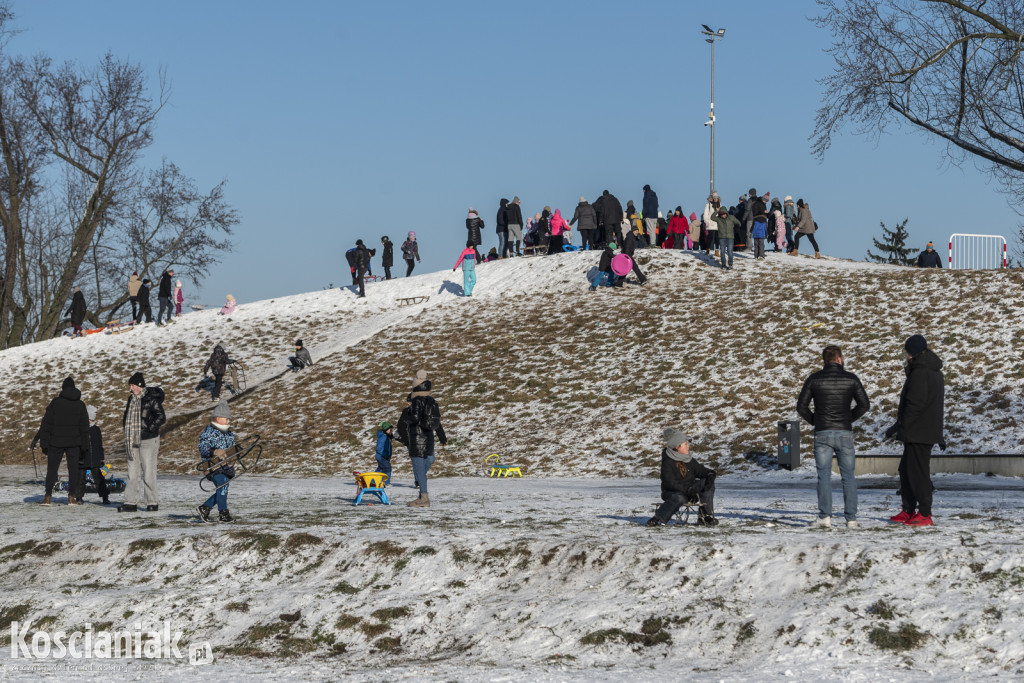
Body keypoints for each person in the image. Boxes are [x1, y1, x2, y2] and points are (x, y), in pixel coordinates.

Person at [796, 345, 871, 528]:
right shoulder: (851, 378)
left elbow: (801, 407)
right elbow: (864, 404)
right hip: (844, 432)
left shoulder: (814, 379)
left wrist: (815, 421)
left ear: (824, 360)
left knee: (824, 476)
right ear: (839, 359)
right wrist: (848, 419)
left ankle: (825, 517)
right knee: (848, 476)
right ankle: (851, 519)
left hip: (822, 433)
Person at [884, 335, 945, 527]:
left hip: (919, 430)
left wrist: (899, 426)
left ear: (912, 352)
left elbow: (914, 405)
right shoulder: (930, 371)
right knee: (906, 470)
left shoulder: (921, 373)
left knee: (918, 472)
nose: (905, 355)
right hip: (921, 429)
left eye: (906, 351)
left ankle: (925, 513)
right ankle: (908, 510)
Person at [646, 428, 717, 527]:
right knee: (680, 498)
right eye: (686, 444)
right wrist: (688, 489)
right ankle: (658, 518)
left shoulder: (688, 459)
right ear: (677, 447)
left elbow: (701, 470)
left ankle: (705, 516)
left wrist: (710, 474)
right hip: (673, 492)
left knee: (707, 482)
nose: (688, 447)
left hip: (691, 491)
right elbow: (670, 482)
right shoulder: (668, 462)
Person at [36, 377, 90, 506]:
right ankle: (71, 497)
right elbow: (84, 428)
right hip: (74, 443)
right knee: (73, 471)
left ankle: (47, 497)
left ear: (63, 389)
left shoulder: (55, 403)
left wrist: (44, 442)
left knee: (52, 470)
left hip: (56, 442)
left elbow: (46, 424)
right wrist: (85, 446)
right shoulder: (80, 404)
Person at [120, 372, 165, 513]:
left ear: (140, 385)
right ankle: (130, 502)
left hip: (148, 440)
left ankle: (152, 502)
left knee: (148, 472)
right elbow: (127, 417)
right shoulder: (131, 399)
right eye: (130, 385)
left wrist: (149, 429)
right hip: (132, 440)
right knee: (132, 473)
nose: (131, 388)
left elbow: (161, 417)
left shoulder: (151, 398)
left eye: (133, 385)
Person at [404, 370, 447, 507]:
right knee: (427, 461)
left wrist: (407, 418)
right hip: (429, 436)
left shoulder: (416, 400)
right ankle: (421, 494)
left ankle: (424, 499)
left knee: (419, 468)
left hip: (417, 438)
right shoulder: (431, 400)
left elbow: (415, 418)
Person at [196, 401, 237, 523]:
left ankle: (205, 508)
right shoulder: (209, 433)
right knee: (223, 485)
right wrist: (214, 451)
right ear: (218, 418)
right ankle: (223, 513)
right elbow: (203, 447)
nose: (229, 421)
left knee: (222, 488)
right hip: (212, 467)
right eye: (226, 419)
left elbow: (232, 448)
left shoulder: (229, 434)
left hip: (225, 466)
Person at [80, 405, 111, 505]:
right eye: (88, 419)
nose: (89, 421)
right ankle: (79, 497)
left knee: (99, 479)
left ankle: (105, 497)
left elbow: (99, 445)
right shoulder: (80, 429)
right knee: (80, 479)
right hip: (83, 458)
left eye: (91, 419)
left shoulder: (96, 429)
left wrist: (101, 458)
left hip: (95, 459)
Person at [750, 194, 768, 260]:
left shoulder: (755, 222)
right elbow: (765, 229)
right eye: (766, 201)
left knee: (756, 245)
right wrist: (766, 234)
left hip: (755, 235)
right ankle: (761, 255)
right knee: (761, 245)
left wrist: (751, 232)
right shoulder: (763, 222)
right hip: (761, 235)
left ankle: (756, 255)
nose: (766, 202)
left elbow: (752, 227)